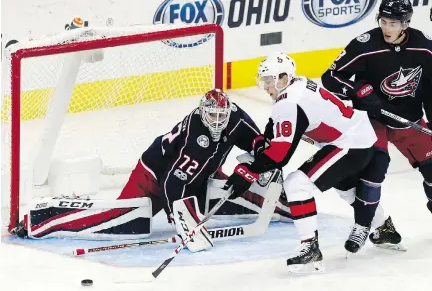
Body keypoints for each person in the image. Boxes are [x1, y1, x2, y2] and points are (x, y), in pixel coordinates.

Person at [13, 89, 292, 249]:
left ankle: (280, 207)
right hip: (154, 176)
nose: (218, 121)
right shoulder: (197, 138)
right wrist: (183, 221)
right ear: (202, 113)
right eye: (212, 116)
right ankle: (43, 219)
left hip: (201, 174)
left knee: (228, 189)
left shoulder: (237, 119)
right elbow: (173, 184)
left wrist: (257, 165)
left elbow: (258, 143)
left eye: (222, 115)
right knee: (125, 223)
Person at [223, 52, 377, 272]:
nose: (266, 87)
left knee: (297, 183)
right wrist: (262, 145)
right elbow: (275, 128)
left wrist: (249, 173)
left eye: (269, 81)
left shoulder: (290, 102)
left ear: (284, 78)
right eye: (264, 81)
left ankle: (309, 247)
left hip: (351, 142)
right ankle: (383, 226)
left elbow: (280, 156)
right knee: (347, 189)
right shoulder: (298, 84)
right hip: (350, 136)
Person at [321, 0, 432, 248]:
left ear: (406, 24)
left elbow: (431, 88)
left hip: (409, 119)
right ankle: (363, 227)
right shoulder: (365, 45)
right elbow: (330, 78)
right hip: (373, 121)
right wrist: (357, 90)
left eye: (393, 23)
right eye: (383, 21)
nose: (386, 28)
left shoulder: (425, 47)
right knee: (374, 171)